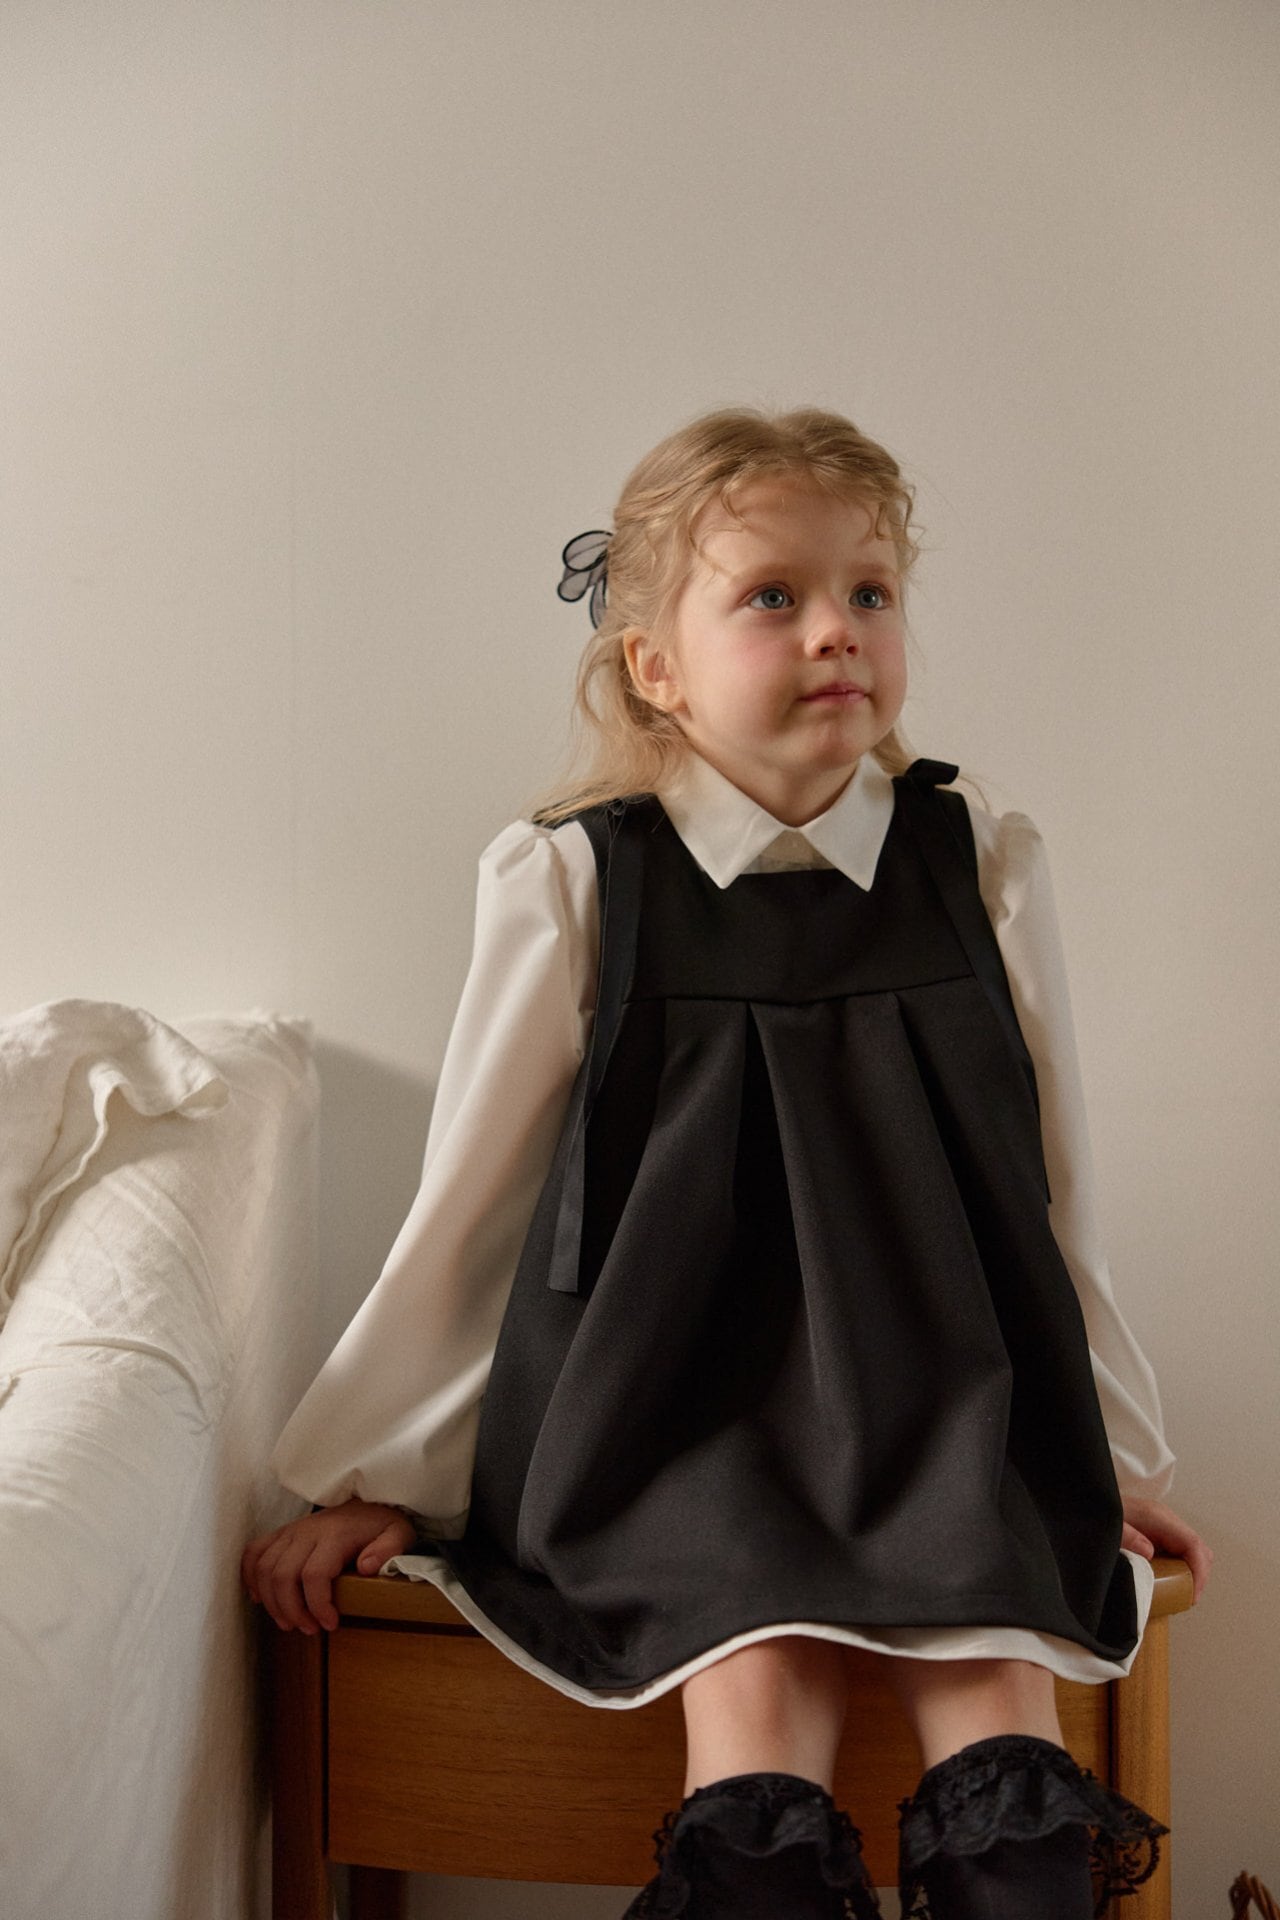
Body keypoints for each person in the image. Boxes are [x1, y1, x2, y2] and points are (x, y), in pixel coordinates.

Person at [243, 406, 1213, 1918]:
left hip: (948, 1393)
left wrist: (1108, 1452)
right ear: (657, 667)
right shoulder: (579, 876)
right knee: (752, 1669)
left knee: (994, 1677)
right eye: (774, 595)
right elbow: (477, 1206)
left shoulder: (980, 862)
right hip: (670, 1406)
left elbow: (1050, 1196)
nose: (838, 630)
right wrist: (387, 1476)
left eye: (870, 591)